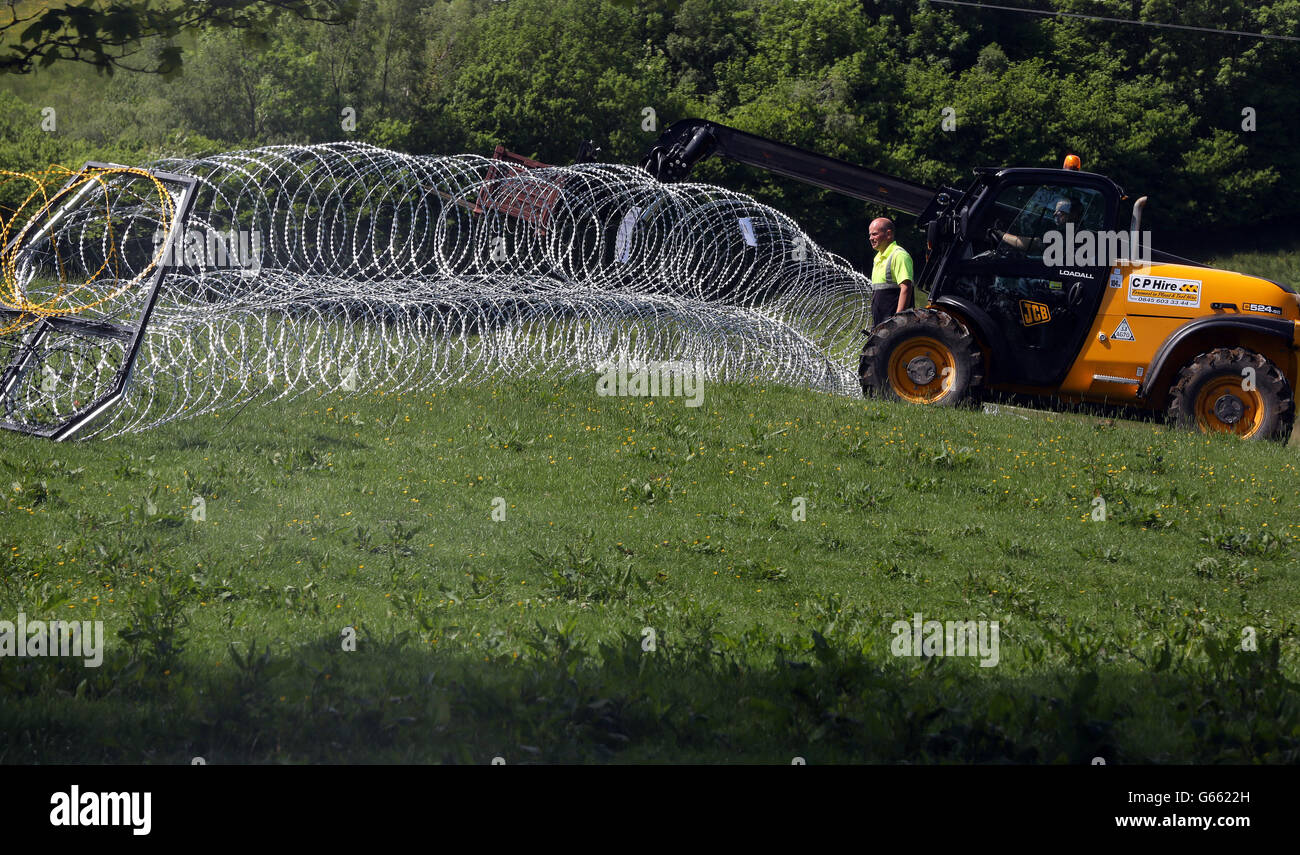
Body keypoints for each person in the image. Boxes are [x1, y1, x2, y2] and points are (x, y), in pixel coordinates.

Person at [868, 217, 914, 325]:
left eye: (874, 234)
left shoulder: (899, 255)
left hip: (894, 326)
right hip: (881, 324)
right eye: (870, 235)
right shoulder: (877, 258)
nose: (871, 238)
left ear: (888, 234)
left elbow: (906, 288)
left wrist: (898, 321)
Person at [995, 197, 1078, 255]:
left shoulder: (1071, 233)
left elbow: (1032, 244)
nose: (1054, 214)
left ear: (1073, 215)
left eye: (1060, 211)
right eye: (1055, 210)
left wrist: (1000, 234)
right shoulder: (1068, 230)